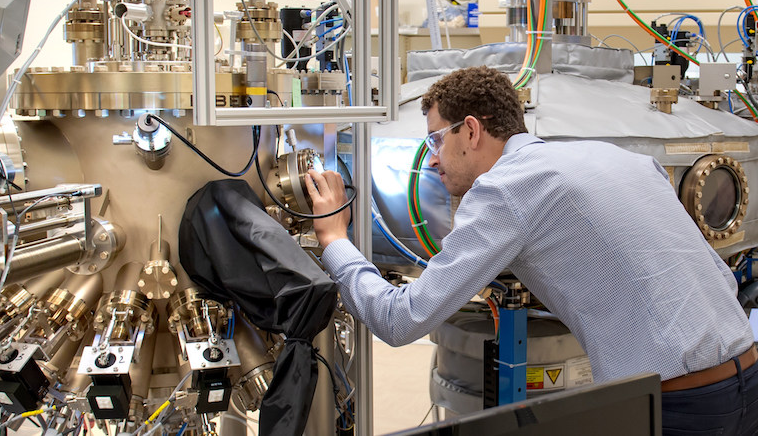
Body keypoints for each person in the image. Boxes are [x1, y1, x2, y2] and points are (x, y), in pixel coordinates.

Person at [304, 65, 758, 435]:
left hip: (681, 407)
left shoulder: (507, 189)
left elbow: (401, 320)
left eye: (436, 140)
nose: (434, 158)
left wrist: (334, 239)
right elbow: (712, 275)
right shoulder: (622, 159)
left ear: (472, 131)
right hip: (748, 373)